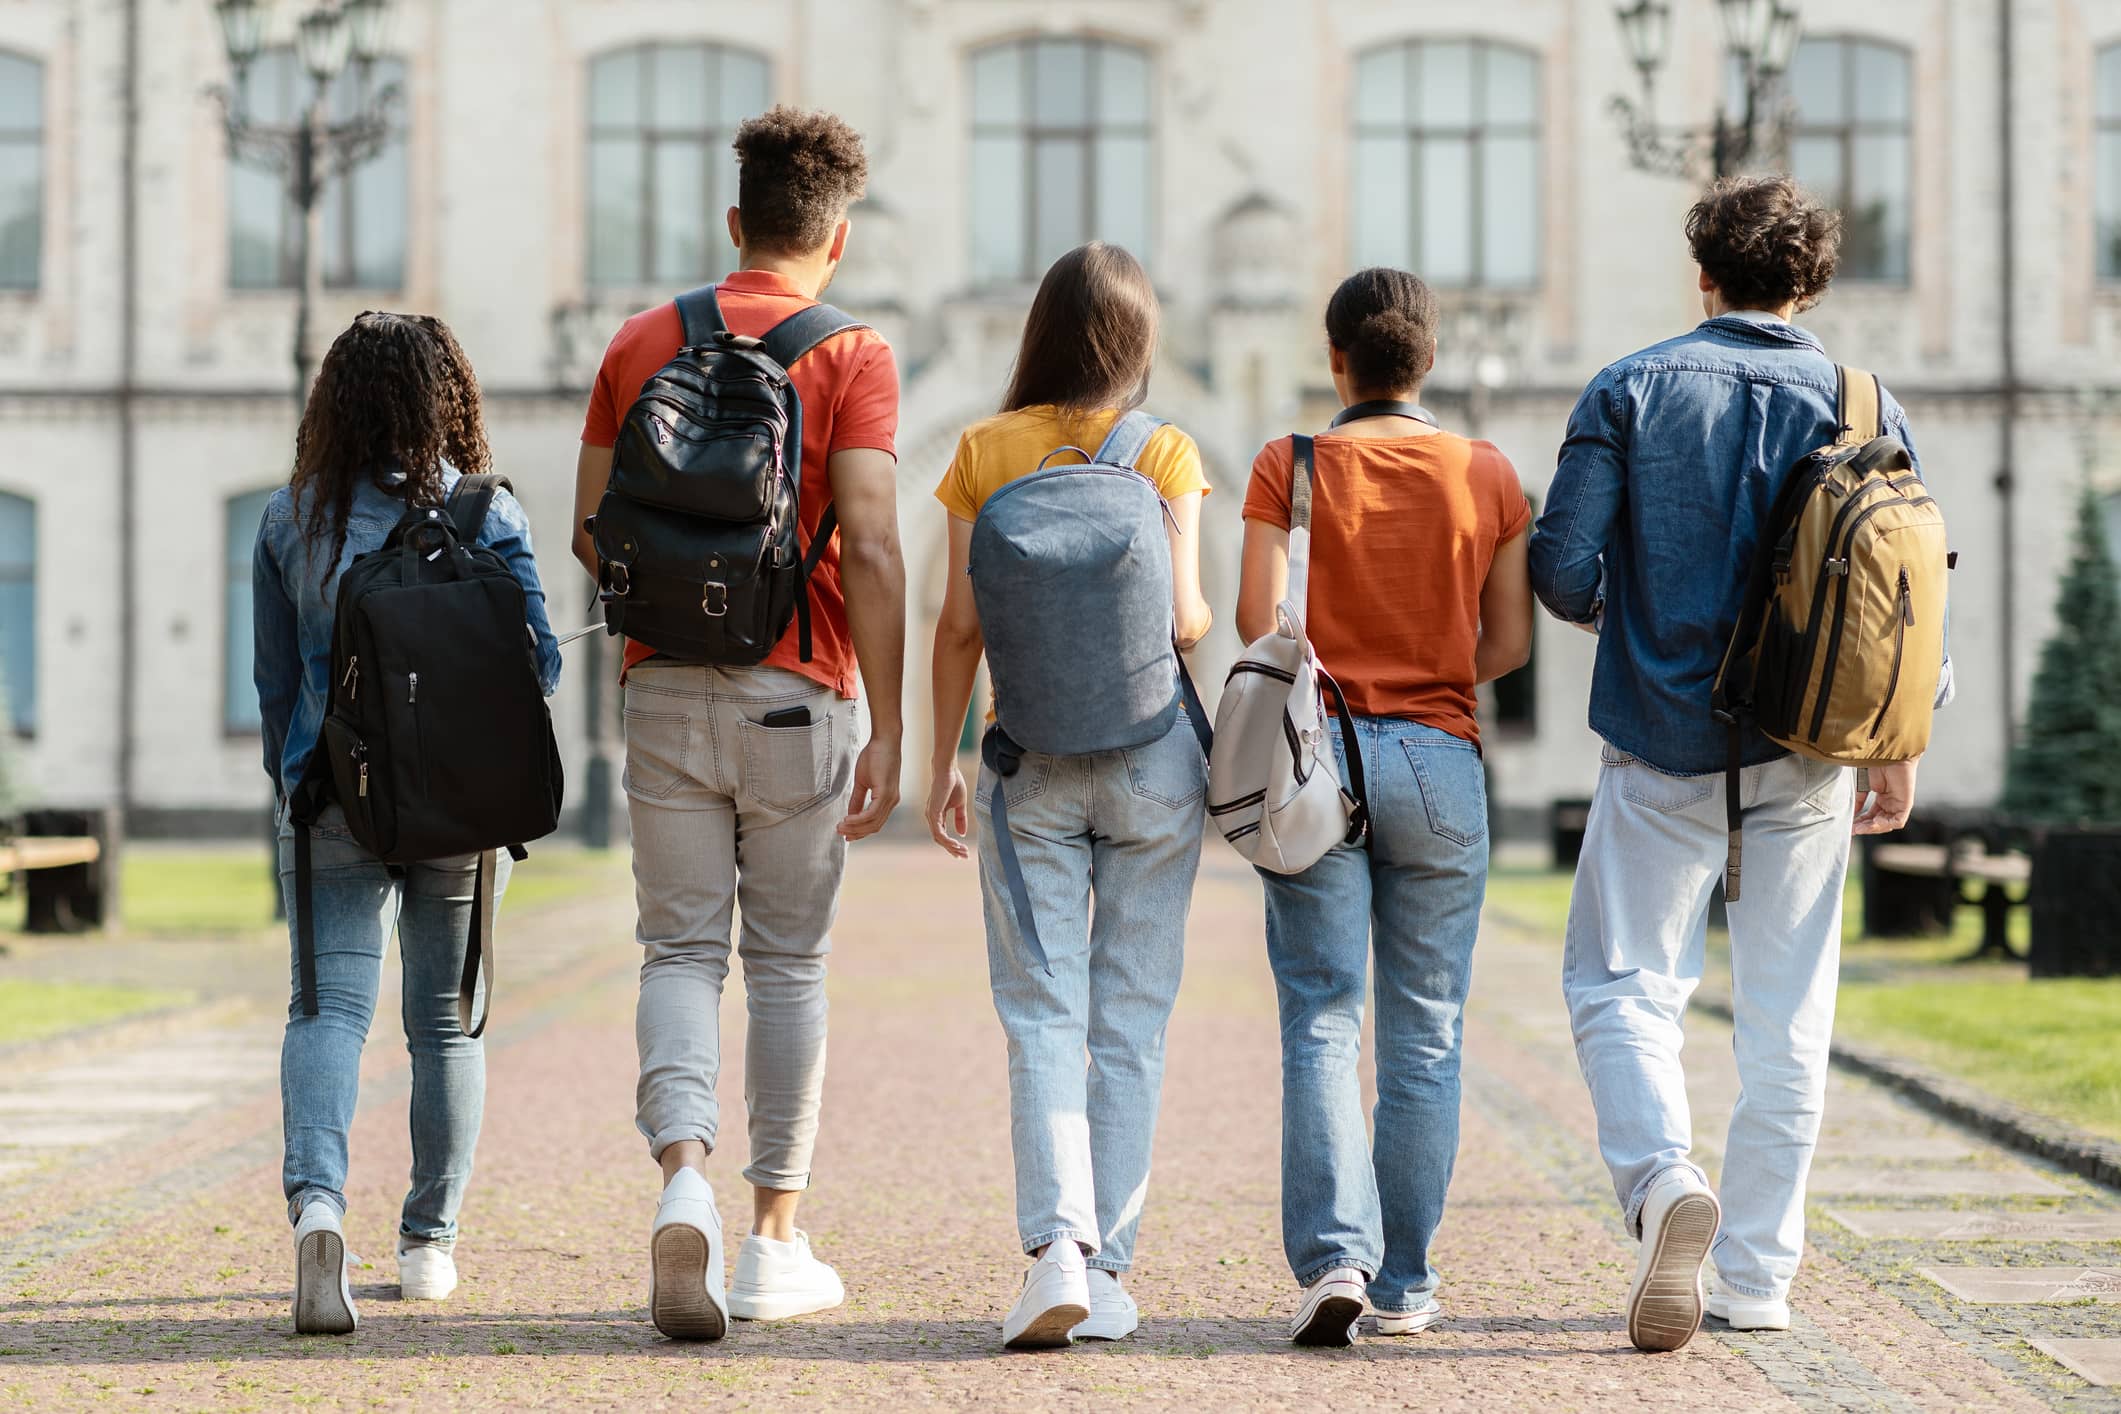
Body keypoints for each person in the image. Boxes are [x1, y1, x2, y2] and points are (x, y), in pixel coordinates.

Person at [1529, 175, 1938, 1352]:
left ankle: (1665, 1184)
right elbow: (1905, 597)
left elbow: (1560, 569)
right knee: (1788, 1015)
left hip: (1660, 739)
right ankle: (1757, 1278)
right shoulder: (1866, 400)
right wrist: (1899, 741)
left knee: (1621, 984)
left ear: (1703, 272)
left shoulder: (1634, 385)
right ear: (1807, 284)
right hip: (1811, 752)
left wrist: (1640, 619)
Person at [570, 106, 906, 1341]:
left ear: (733, 222)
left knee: (677, 952)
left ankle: (685, 1183)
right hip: (796, 689)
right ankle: (772, 1239)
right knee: (789, 963)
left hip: (660, 687)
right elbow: (869, 539)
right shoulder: (853, 353)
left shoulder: (641, 340)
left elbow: (589, 530)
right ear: (839, 237)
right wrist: (890, 722)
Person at [1235, 268, 1533, 1347]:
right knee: (1427, 1032)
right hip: (1440, 760)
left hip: (1317, 761)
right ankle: (1406, 1280)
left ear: (1335, 359)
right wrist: (1434, 667)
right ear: (1431, 360)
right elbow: (1508, 643)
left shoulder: (1290, 463)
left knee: (1321, 1016)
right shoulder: (1486, 472)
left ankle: (1333, 1263)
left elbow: (1254, 619)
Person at [924, 241, 1213, 1349]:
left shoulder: (984, 451)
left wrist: (939, 763)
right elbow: (1190, 619)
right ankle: (1114, 1270)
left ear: (1038, 332)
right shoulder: (1167, 450)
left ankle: (1055, 1249)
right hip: (1151, 760)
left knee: (1041, 1011)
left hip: (1024, 755)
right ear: (1138, 341)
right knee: (1131, 1016)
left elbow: (956, 624)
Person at [253, 312, 562, 1334]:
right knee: (442, 1022)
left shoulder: (292, 518)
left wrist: (296, 781)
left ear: (333, 405)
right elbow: (544, 668)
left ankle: (318, 1213)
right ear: (447, 402)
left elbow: (270, 686)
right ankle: (429, 1243)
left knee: (327, 1013)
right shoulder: (488, 515)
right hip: (464, 811)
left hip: (335, 800)